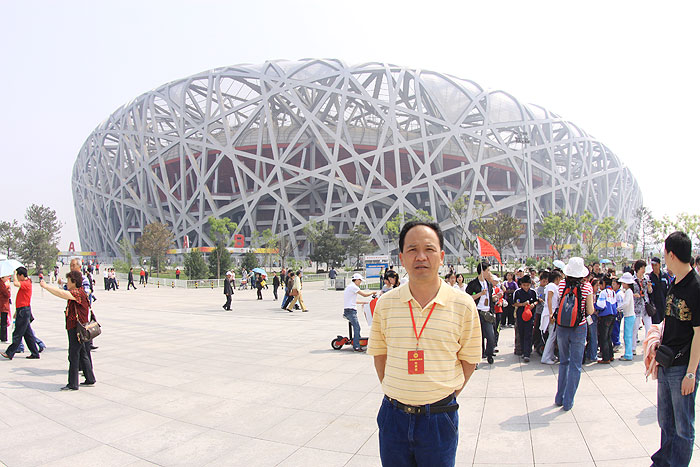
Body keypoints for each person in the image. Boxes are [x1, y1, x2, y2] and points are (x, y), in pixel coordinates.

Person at [367, 221, 481, 466]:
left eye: (429, 249)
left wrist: (442, 395)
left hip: (439, 419)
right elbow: (379, 354)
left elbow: (469, 360)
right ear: (401, 258)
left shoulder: (463, 304)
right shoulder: (386, 304)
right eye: (412, 249)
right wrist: (399, 390)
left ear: (441, 256)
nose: (421, 257)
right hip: (393, 417)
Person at [648, 232, 700, 466]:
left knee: (683, 427)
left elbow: (699, 334)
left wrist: (691, 372)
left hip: (683, 368)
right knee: (665, 422)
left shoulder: (695, 287)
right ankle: (663, 462)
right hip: (667, 362)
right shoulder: (674, 283)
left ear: (671, 255)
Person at [39, 271, 96, 390]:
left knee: (73, 355)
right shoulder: (79, 292)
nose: (67, 283)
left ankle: (73, 384)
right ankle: (90, 378)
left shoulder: (77, 293)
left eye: (69, 281)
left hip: (76, 329)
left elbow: (61, 293)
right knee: (83, 353)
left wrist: (46, 286)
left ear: (74, 282)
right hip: (80, 328)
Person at [554, 257, 594, 411]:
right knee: (575, 365)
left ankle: (559, 397)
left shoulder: (562, 284)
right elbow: (590, 310)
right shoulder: (587, 287)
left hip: (562, 327)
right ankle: (568, 401)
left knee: (563, 361)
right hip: (579, 327)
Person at [1, 268, 40, 360]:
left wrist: (14, 274)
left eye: (18, 276)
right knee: (28, 334)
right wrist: (16, 311)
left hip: (24, 311)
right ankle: (35, 353)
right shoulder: (26, 282)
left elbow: (15, 283)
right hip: (22, 310)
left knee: (17, 333)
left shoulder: (26, 283)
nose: (17, 278)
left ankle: (10, 352)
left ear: (21, 275)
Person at [467, 261, 497, 365]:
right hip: (477, 313)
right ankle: (476, 358)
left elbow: (490, 298)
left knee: (491, 336)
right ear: (482, 271)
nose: (489, 272)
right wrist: (480, 294)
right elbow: (468, 297)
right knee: (477, 337)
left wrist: (495, 298)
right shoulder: (473, 284)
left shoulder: (489, 284)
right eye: (488, 270)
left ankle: (489, 354)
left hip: (487, 312)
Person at [343, 273, 375, 351]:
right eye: (360, 281)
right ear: (357, 280)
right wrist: (372, 292)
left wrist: (364, 302)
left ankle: (357, 341)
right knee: (357, 327)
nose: (360, 283)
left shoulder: (350, 287)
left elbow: (353, 301)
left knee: (356, 327)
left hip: (349, 310)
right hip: (350, 311)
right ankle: (356, 346)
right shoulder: (353, 287)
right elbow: (364, 295)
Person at [513, 275, 538, 362]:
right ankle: (523, 351)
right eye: (524, 285)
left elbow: (536, 300)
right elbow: (514, 303)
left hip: (530, 316)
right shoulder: (517, 292)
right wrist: (522, 304)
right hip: (520, 316)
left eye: (528, 285)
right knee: (521, 333)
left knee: (528, 334)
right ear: (521, 285)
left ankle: (527, 353)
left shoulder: (533, 292)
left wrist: (533, 304)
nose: (526, 287)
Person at [541, 270, 563, 364]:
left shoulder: (554, 287)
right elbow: (549, 299)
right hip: (551, 312)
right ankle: (545, 357)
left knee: (553, 336)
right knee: (552, 336)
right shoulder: (551, 286)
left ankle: (550, 355)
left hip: (553, 311)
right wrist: (551, 313)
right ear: (557, 278)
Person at [596, 276, 617, 364]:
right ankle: (611, 355)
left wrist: (594, 305)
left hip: (605, 316)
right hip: (613, 316)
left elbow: (601, 305)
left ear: (604, 283)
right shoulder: (613, 292)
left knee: (603, 337)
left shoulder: (603, 292)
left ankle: (606, 358)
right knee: (608, 336)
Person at [633, 259, 652, 347]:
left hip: (645, 305)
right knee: (635, 327)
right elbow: (628, 291)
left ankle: (647, 346)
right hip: (636, 306)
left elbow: (650, 292)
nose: (644, 270)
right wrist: (634, 295)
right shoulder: (633, 280)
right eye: (642, 268)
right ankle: (633, 347)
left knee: (649, 327)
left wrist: (649, 287)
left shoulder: (646, 279)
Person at [617, 272, 636, 361]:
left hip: (629, 316)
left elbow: (626, 303)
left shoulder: (628, 292)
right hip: (629, 315)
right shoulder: (629, 291)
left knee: (627, 336)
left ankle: (628, 354)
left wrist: (619, 308)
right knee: (628, 336)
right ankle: (628, 353)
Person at [648, 257, 670, 325]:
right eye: (652, 265)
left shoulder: (664, 276)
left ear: (659, 265)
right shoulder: (650, 277)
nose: (654, 267)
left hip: (664, 304)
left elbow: (668, 289)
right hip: (654, 306)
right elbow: (649, 292)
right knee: (656, 325)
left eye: (656, 265)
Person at [0, 275, 10, 343]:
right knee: (4, 322)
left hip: (2, 305)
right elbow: (6, 294)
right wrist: (8, 290)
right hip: (3, 305)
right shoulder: (1, 284)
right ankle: (4, 338)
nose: (7, 278)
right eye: (6, 277)